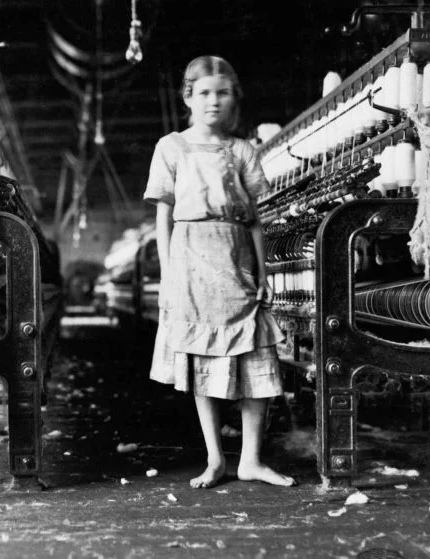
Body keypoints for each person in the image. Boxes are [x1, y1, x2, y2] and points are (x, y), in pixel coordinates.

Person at [143, 55, 295, 489]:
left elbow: (255, 222)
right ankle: (215, 459)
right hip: (190, 260)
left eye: (223, 93)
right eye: (205, 93)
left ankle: (250, 460)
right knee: (202, 361)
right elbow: (163, 218)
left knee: (256, 358)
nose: (213, 102)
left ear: (233, 99)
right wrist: (169, 276)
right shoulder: (171, 147)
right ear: (188, 96)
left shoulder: (243, 150)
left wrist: (263, 276)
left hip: (237, 261)